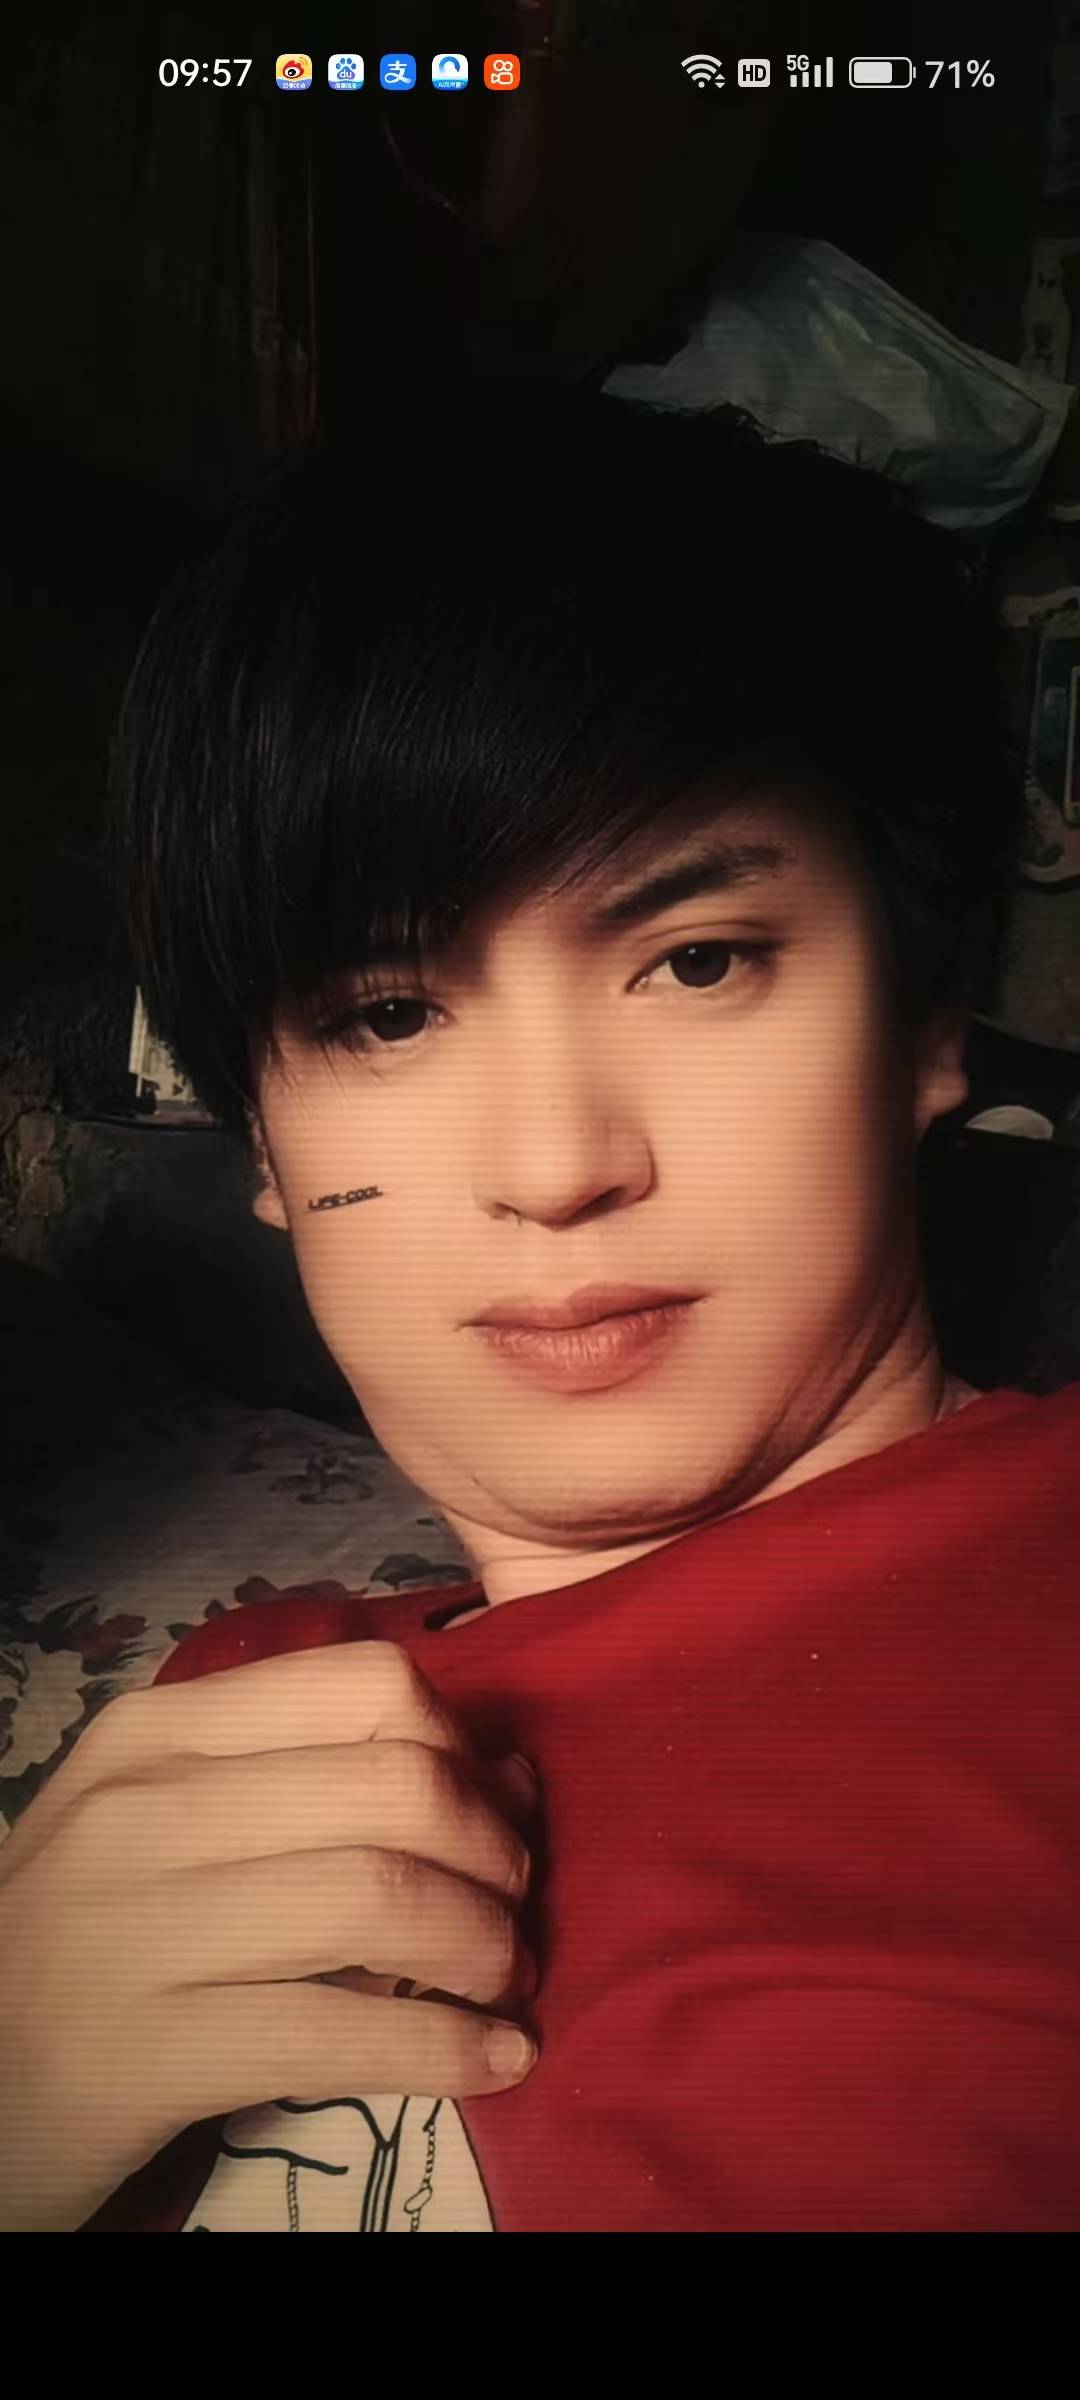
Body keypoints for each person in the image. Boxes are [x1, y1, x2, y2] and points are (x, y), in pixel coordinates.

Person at [5, 378, 1079, 2230]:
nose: (556, 1164)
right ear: (263, 1145)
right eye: (385, 1015)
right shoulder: (233, 1717)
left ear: (926, 1021)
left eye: (698, 961)